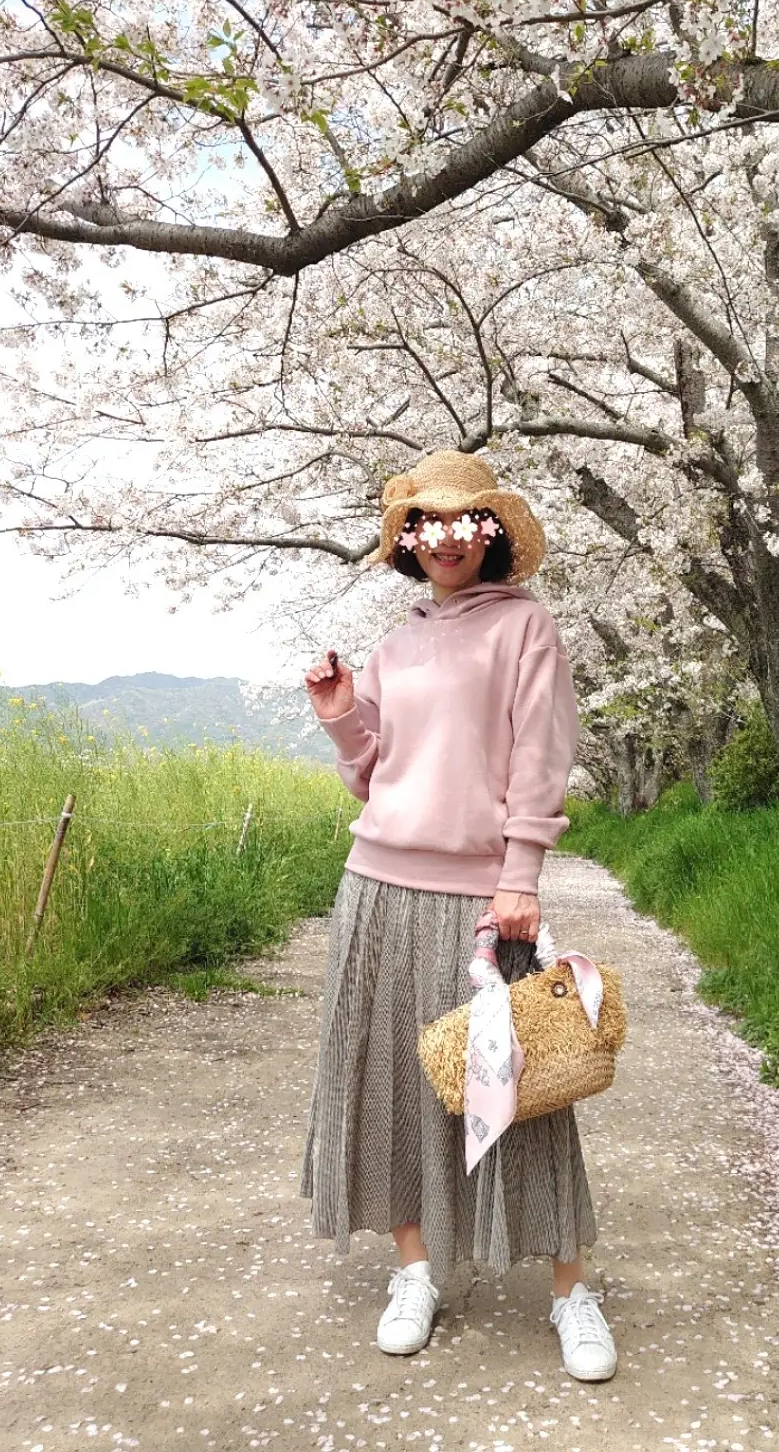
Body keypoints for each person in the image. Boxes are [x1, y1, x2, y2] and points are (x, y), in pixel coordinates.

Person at [300, 450, 617, 1381]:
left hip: (483, 893)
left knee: (516, 1087)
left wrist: (518, 876)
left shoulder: (525, 629)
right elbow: (370, 769)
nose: (442, 538)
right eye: (423, 522)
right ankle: (415, 1270)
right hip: (377, 885)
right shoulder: (394, 646)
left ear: (490, 535)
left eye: (461, 520)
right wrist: (341, 712)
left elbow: (539, 755)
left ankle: (571, 1290)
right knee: (390, 1082)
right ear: (405, 539)